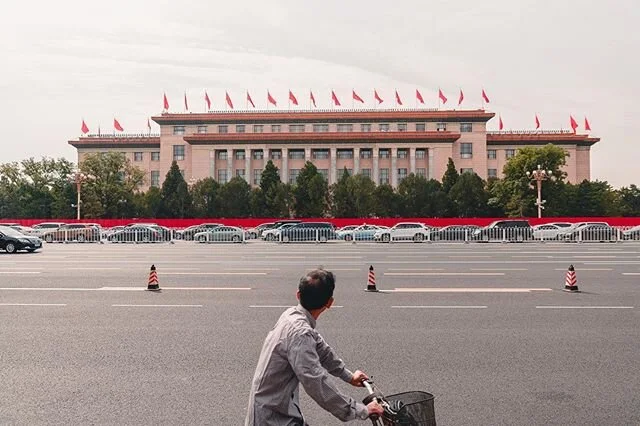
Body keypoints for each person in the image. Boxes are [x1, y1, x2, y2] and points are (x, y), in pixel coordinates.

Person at [245, 268, 384, 425]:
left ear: (298, 294)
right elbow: (316, 382)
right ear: (330, 303)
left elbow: (322, 350)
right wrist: (361, 410)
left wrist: (349, 376)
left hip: (279, 411)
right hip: (271, 418)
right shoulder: (300, 333)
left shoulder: (292, 316)